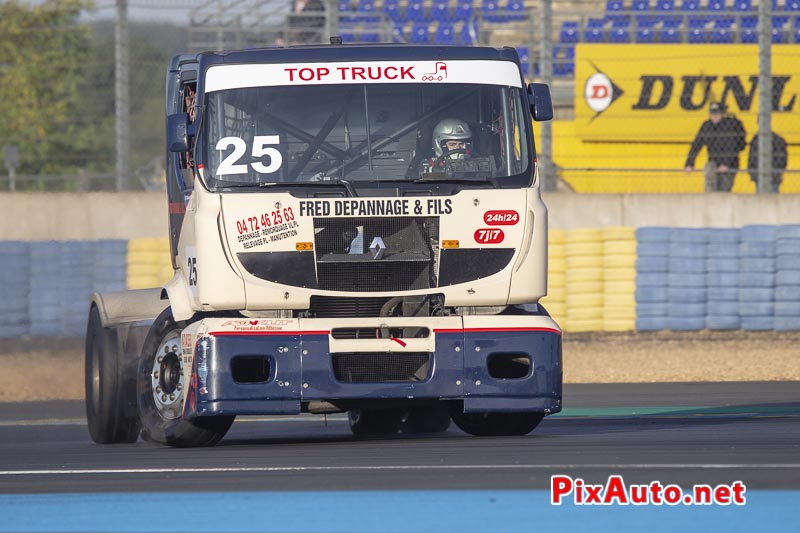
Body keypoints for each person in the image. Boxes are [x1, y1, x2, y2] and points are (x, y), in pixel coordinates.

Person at [684, 102, 746, 192]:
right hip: (713, 162)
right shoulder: (707, 126)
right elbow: (696, 145)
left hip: (730, 164)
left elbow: (733, 146)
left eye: (717, 113)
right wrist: (689, 163)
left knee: (723, 191)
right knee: (710, 188)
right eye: (712, 114)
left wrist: (726, 164)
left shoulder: (730, 125)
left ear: (722, 114)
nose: (714, 116)